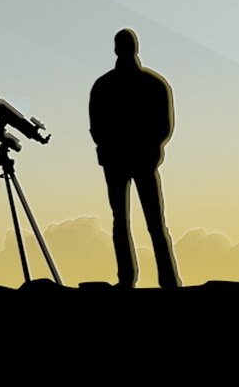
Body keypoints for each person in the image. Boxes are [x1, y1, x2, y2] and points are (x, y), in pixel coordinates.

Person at [89, 28, 180, 288]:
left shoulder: (107, 85)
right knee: (137, 222)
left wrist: (149, 151)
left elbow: (163, 126)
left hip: (132, 159)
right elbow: (97, 126)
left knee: (143, 222)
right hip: (126, 159)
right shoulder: (150, 84)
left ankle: (155, 279)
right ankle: (153, 279)